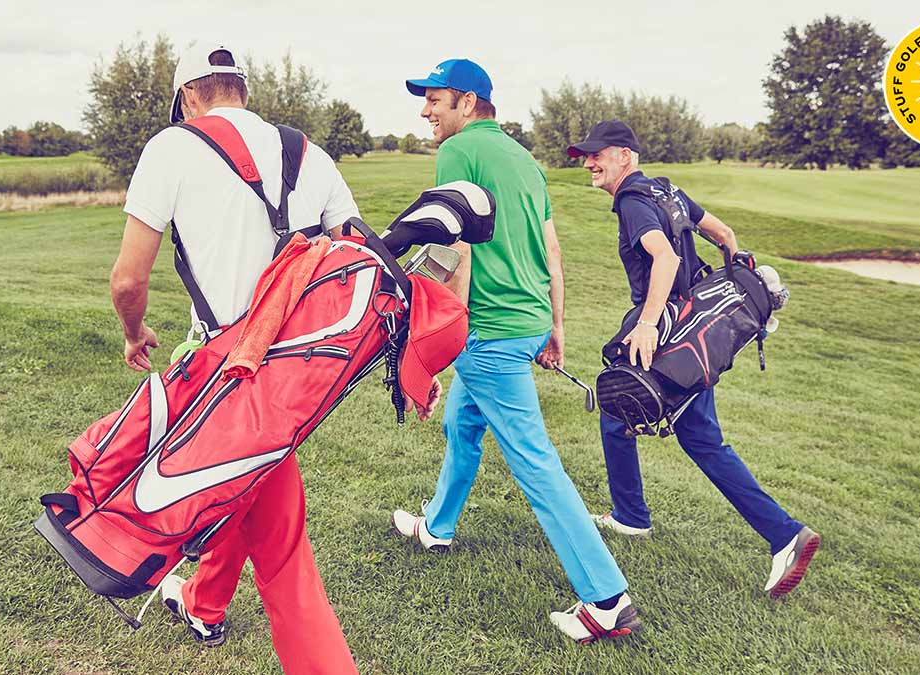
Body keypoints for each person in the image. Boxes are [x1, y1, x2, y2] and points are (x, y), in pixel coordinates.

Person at [108, 40, 361, 672]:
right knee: (241, 484)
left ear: (188, 95)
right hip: (301, 371)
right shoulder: (308, 153)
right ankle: (205, 605)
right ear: (242, 89)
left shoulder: (172, 146)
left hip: (229, 371)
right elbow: (357, 257)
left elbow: (128, 281)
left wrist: (135, 333)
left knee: (283, 555)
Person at [389, 59, 642, 644]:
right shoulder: (524, 159)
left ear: (467, 102)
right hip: (527, 322)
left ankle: (606, 600)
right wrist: (555, 326)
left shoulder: (458, 151)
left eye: (435, 100)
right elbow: (552, 251)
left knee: (533, 460)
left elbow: (456, 250)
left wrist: (438, 341)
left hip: (491, 331)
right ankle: (438, 526)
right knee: (461, 424)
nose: (426, 111)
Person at [566, 120, 820, 598]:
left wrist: (647, 323)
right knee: (628, 419)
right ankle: (631, 516)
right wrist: (725, 288)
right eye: (586, 156)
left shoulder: (633, 200)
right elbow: (724, 234)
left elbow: (666, 259)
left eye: (597, 155)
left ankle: (785, 534)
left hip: (667, 334)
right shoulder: (667, 191)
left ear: (624, 155)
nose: (589, 163)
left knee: (678, 430)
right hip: (694, 329)